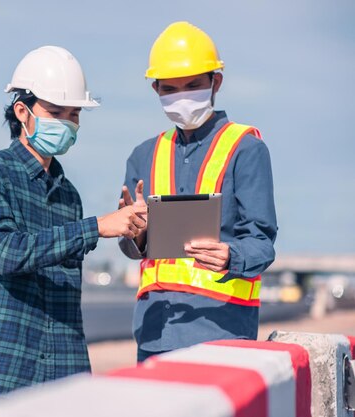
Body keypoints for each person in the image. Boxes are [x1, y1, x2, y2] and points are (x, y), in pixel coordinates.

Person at [0, 45, 147, 405]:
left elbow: (65, 292)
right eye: (56, 112)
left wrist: (133, 230)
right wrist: (96, 227)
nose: (68, 123)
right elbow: (7, 254)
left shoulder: (69, 195)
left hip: (63, 377)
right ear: (22, 112)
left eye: (74, 114)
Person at [118, 21, 278, 362]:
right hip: (153, 334)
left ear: (215, 82)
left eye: (192, 85)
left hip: (223, 331)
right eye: (170, 89)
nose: (181, 97)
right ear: (155, 89)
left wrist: (231, 256)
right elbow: (132, 248)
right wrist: (135, 235)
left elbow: (262, 243)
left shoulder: (245, 149)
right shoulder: (143, 155)